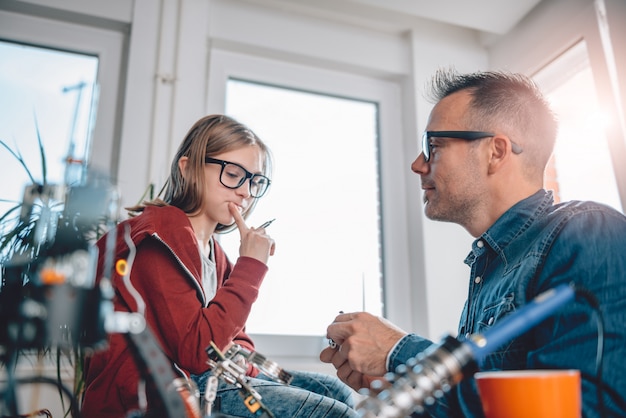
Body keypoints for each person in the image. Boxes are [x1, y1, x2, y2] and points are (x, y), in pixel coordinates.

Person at [320, 69, 626, 417]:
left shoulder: (589, 233)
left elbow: (590, 407)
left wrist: (401, 352)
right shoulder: (491, 270)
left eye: (432, 146)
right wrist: (408, 389)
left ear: (495, 152)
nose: (417, 164)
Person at [82, 114, 358, 417]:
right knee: (336, 414)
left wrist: (244, 362)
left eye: (255, 181)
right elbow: (197, 351)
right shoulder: (157, 236)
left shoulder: (217, 254)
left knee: (337, 393)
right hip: (167, 390)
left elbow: (234, 338)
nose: (245, 191)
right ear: (187, 169)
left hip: (210, 377)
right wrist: (251, 265)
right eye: (232, 174)